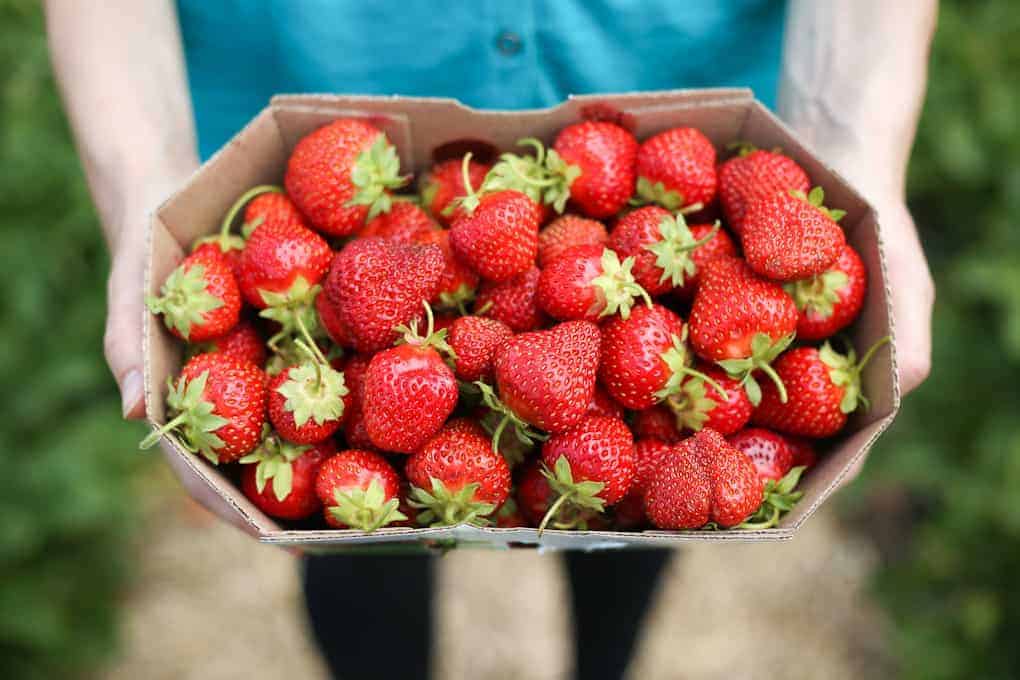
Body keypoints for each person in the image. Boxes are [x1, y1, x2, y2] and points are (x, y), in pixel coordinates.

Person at [46, 1, 936, 678]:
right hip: (315, 108)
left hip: (675, 97)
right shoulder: (373, 252)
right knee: (351, 538)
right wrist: (146, 188)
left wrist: (851, 138)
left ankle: (604, 660)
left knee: (642, 510)